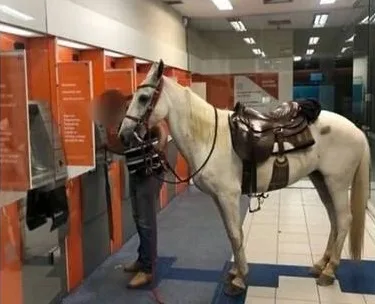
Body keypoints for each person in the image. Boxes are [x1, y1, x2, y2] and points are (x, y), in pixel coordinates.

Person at [96, 90, 168, 288]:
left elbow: (162, 128)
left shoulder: (138, 114)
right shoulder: (123, 123)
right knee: (138, 218)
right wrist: (106, 147)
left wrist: (160, 149)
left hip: (149, 175)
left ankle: (147, 269)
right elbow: (125, 148)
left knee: (147, 222)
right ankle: (142, 259)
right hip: (136, 173)